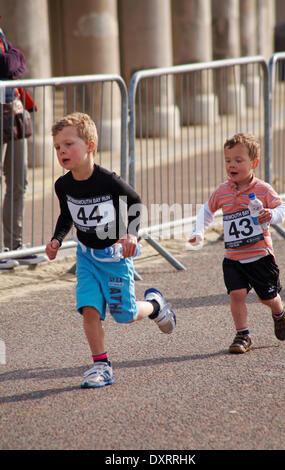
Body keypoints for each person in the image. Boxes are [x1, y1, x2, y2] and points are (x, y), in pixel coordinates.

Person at [46, 112, 176, 388]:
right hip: (86, 258)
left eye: (69, 144)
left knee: (125, 315)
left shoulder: (108, 181)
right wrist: (57, 239)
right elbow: (66, 215)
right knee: (89, 310)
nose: (62, 151)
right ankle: (101, 366)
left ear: (90, 145)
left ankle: (155, 306)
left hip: (114, 257)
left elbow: (136, 204)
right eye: (58, 147)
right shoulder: (63, 185)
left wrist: (131, 233)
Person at [189, 133, 285, 354]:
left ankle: (279, 312)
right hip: (233, 258)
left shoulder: (263, 189)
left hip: (260, 257)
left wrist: (270, 215)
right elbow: (207, 210)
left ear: (253, 163)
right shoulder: (223, 191)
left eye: (238, 160)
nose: (231, 165)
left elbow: (283, 209)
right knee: (236, 294)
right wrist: (198, 232)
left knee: (268, 298)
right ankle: (243, 335)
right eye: (228, 161)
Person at [0, 22, 45, 268]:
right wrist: (12, 60)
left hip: (12, 112)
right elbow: (8, 64)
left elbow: (16, 60)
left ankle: (15, 245)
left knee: (19, 181)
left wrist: (12, 59)